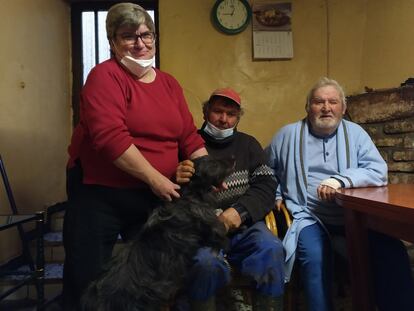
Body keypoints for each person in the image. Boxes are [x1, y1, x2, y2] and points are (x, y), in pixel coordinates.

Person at [62, 3, 207, 310]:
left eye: (146, 34)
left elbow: (188, 136)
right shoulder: (104, 77)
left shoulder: (168, 83)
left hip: (151, 195)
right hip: (99, 193)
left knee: (149, 275)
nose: (140, 43)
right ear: (112, 42)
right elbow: (110, 138)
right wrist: (157, 179)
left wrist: (206, 169)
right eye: (129, 36)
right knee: (87, 278)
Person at [266, 77, 414, 311]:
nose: (326, 107)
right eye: (319, 102)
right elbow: (266, 171)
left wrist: (339, 180)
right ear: (308, 107)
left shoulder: (356, 134)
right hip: (308, 216)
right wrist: (275, 194)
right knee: (315, 257)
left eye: (333, 102)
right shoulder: (287, 135)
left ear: (343, 108)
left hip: (354, 215)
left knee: (392, 250)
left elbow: (378, 171)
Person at [176, 88, 285, 311]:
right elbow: (171, 191)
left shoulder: (248, 145)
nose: (224, 119)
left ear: (238, 118)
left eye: (231, 114)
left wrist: (239, 211)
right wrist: (176, 175)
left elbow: (266, 185)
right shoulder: (188, 144)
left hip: (243, 226)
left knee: (272, 249)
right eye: (217, 111)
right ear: (205, 112)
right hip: (201, 229)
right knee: (205, 263)